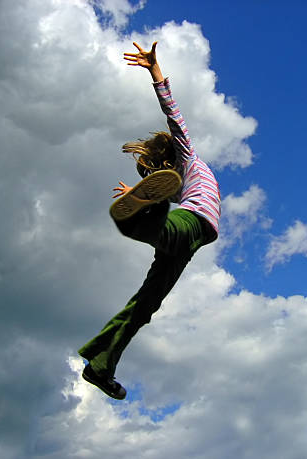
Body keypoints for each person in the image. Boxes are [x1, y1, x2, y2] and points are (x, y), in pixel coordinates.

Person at [78, 42, 221, 399]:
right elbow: (172, 118)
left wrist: (157, 71)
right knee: (168, 222)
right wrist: (143, 194)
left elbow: (175, 117)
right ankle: (142, 212)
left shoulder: (187, 159)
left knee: (145, 305)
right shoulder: (177, 187)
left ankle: (100, 367)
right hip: (190, 225)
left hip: (183, 245)